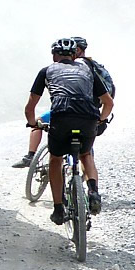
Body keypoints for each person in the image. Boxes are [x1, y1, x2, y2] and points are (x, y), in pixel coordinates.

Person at [24, 38, 114, 224]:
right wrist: (101, 120)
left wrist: (34, 124)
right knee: (86, 155)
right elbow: (108, 102)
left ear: (54, 55)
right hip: (88, 117)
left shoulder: (46, 71)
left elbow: (30, 107)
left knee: (55, 159)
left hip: (62, 117)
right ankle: (93, 192)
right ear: (74, 55)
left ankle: (58, 209)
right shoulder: (87, 70)